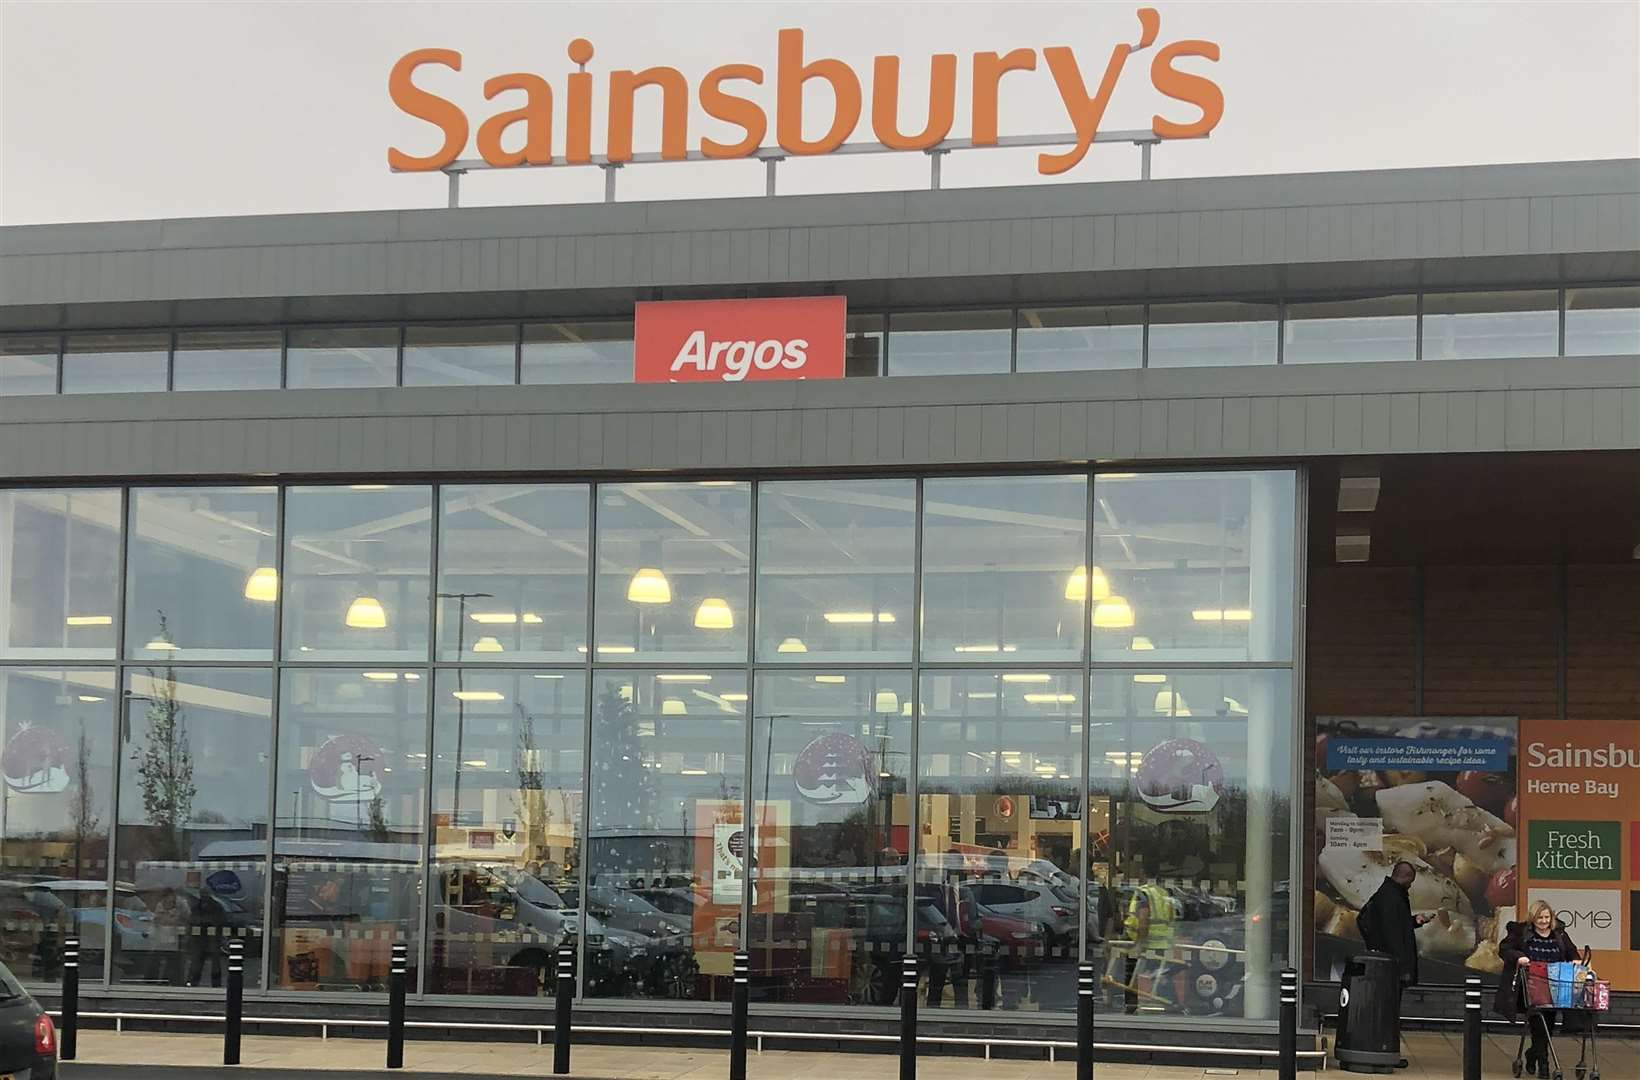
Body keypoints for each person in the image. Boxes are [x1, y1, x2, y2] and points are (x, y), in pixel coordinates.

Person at [1356, 861, 1435, 1069]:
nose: (1410, 886)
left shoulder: (1388, 894)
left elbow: (1394, 925)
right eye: (1411, 882)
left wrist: (1415, 921)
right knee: (1389, 1010)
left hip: (1386, 963)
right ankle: (1386, 1049)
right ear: (1407, 878)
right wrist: (1403, 968)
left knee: (1386, 1009)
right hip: (1390, 966)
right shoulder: (1393, 898)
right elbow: (1394, 935)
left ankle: (1386, 1049)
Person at [1495, 899, 1579, 1079]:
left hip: (1554, 987)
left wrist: (1576, 962)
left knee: (1547, 1025)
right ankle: (1544, 1065)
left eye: (1547, 917)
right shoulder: (1520, 932)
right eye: (1540, 917)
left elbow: (1572, 952)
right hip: (1530, 986)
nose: (1543, 921)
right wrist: (1519, 957)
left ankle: (1533, 1054)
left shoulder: (1559, 935)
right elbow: (1504, 949)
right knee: (1538, 1023)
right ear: (1533, 918)